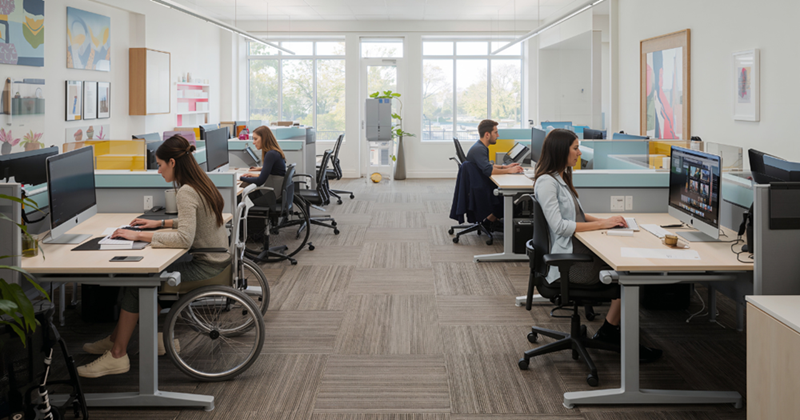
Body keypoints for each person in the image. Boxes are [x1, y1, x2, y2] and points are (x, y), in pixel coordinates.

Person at [77, 135, 231, 378]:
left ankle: (118, 354)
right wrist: (159, 223)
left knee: (137, 285)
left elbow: (184, 239)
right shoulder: (200, 182)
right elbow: (195, 223)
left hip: (208, 267)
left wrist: (137, 236)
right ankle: (142, 340)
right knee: (139, 282)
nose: (158, 171)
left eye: (159, 165)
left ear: (172, 162)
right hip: (217, 260)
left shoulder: (186, 192)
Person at [533, 128, 662, 362]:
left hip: (572, 252)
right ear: (561, 150)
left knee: (627, 261)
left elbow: (577, 216)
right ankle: (611, 331)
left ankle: (611, 329)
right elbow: (561, 226)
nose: (579, 153)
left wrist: (605, 222)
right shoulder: (546, 183)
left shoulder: (559, 177)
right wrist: (602, 225)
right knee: (629, 271)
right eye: (575, 148)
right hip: (567, 264)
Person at [465, 119, 524, 230]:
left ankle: (491, 220)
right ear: (487, 134)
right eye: (495, 132)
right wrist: (509, 171)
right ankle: (489, 221)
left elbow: (487, 165)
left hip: (480, 184)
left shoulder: (480, 146)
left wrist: (505, 167)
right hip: (481, 188)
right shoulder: (479, 149)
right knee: (510, 200)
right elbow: (488, 170)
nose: (498, 135)